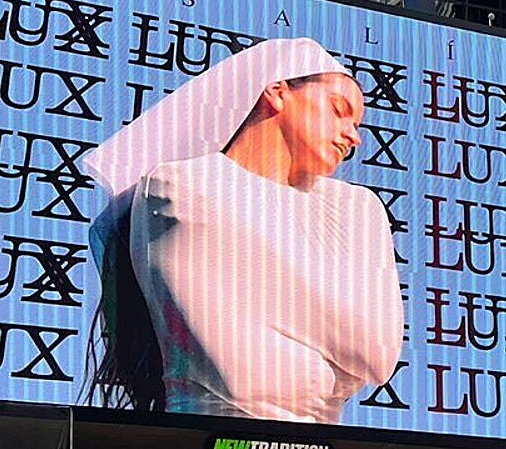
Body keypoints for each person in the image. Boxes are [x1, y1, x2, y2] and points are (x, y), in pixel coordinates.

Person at [82, 37, 404, 423]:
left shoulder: (356, 206)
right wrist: (334, 341)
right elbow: (240, 376)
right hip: (206, 445)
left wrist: (258, 289)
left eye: (356, 123)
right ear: (277, 91)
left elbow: (377, 352)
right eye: (339, 110)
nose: (354, 136)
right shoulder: (182, 187)